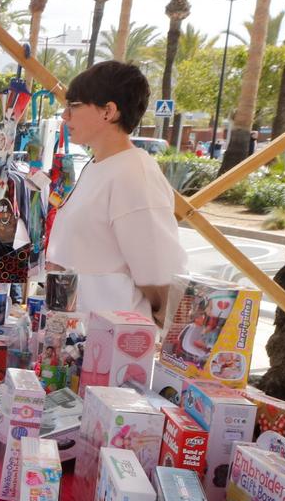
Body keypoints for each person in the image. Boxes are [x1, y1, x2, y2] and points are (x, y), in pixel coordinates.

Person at [46, 61, 188, 319]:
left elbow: (158, 275)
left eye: (74, 106)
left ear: (108, 111)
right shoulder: (100, 164)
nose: (65, 116)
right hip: (79, 332)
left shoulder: (134, 173)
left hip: (113, 338)